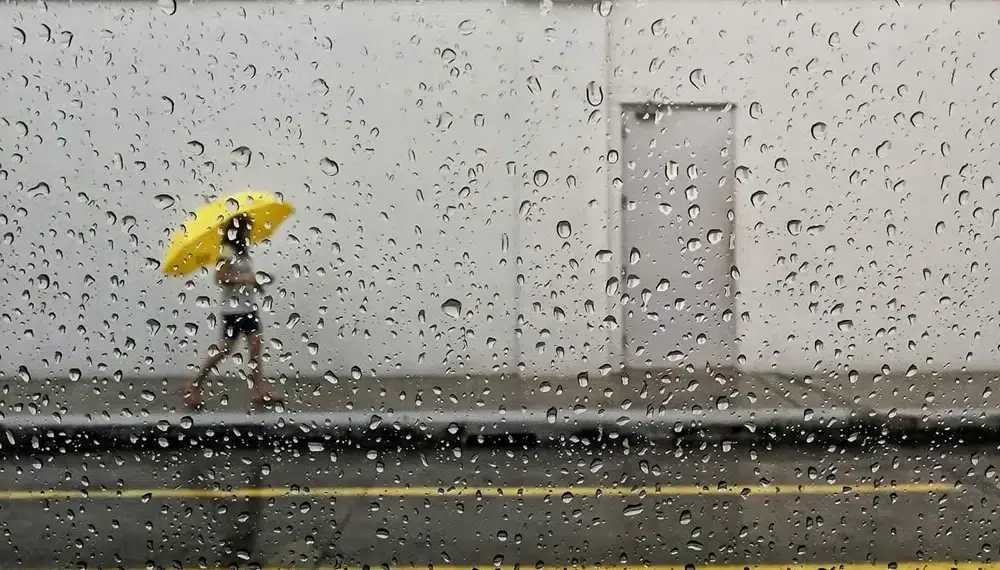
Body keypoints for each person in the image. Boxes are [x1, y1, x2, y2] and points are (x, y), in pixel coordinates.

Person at [184, 213, 282, 410]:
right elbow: (220, 278)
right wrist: (247, 279)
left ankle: (259, 391)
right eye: (246, 229)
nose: (249, 233)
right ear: (238, 230)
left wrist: (257, 283)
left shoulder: (243, 252)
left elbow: (242, 276)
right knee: (225, 350)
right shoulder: (227, 251)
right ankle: (194, 385)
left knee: (255, 349)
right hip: (233, 310)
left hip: (249, 308)